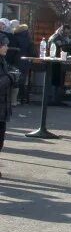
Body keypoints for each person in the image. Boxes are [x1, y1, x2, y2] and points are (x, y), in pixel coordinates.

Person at [0, 34, 19, 176]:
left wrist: (13, 75)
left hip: (2, 108)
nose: (6, 47)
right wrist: (11, 77)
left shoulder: (3, 60)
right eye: (4, 45)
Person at [47, 23, 71, 104]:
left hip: (62, 62)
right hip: (54, 62)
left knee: (60, 80)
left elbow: (70, 49)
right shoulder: (55, 37)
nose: (67, 34)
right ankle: (52, 99)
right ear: (61, 30)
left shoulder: (66, 38)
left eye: (68, 33)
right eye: (65, 32)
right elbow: (54, 49)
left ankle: (57, 99)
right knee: (54, 80)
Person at [8, 19, 31, 104]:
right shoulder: (28, 39)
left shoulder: (14, 37)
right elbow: (32, 51)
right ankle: (21, 98)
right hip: (25, 61)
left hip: (16, 61)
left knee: (14, 79)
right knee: (23, 80)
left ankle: (14, 100)